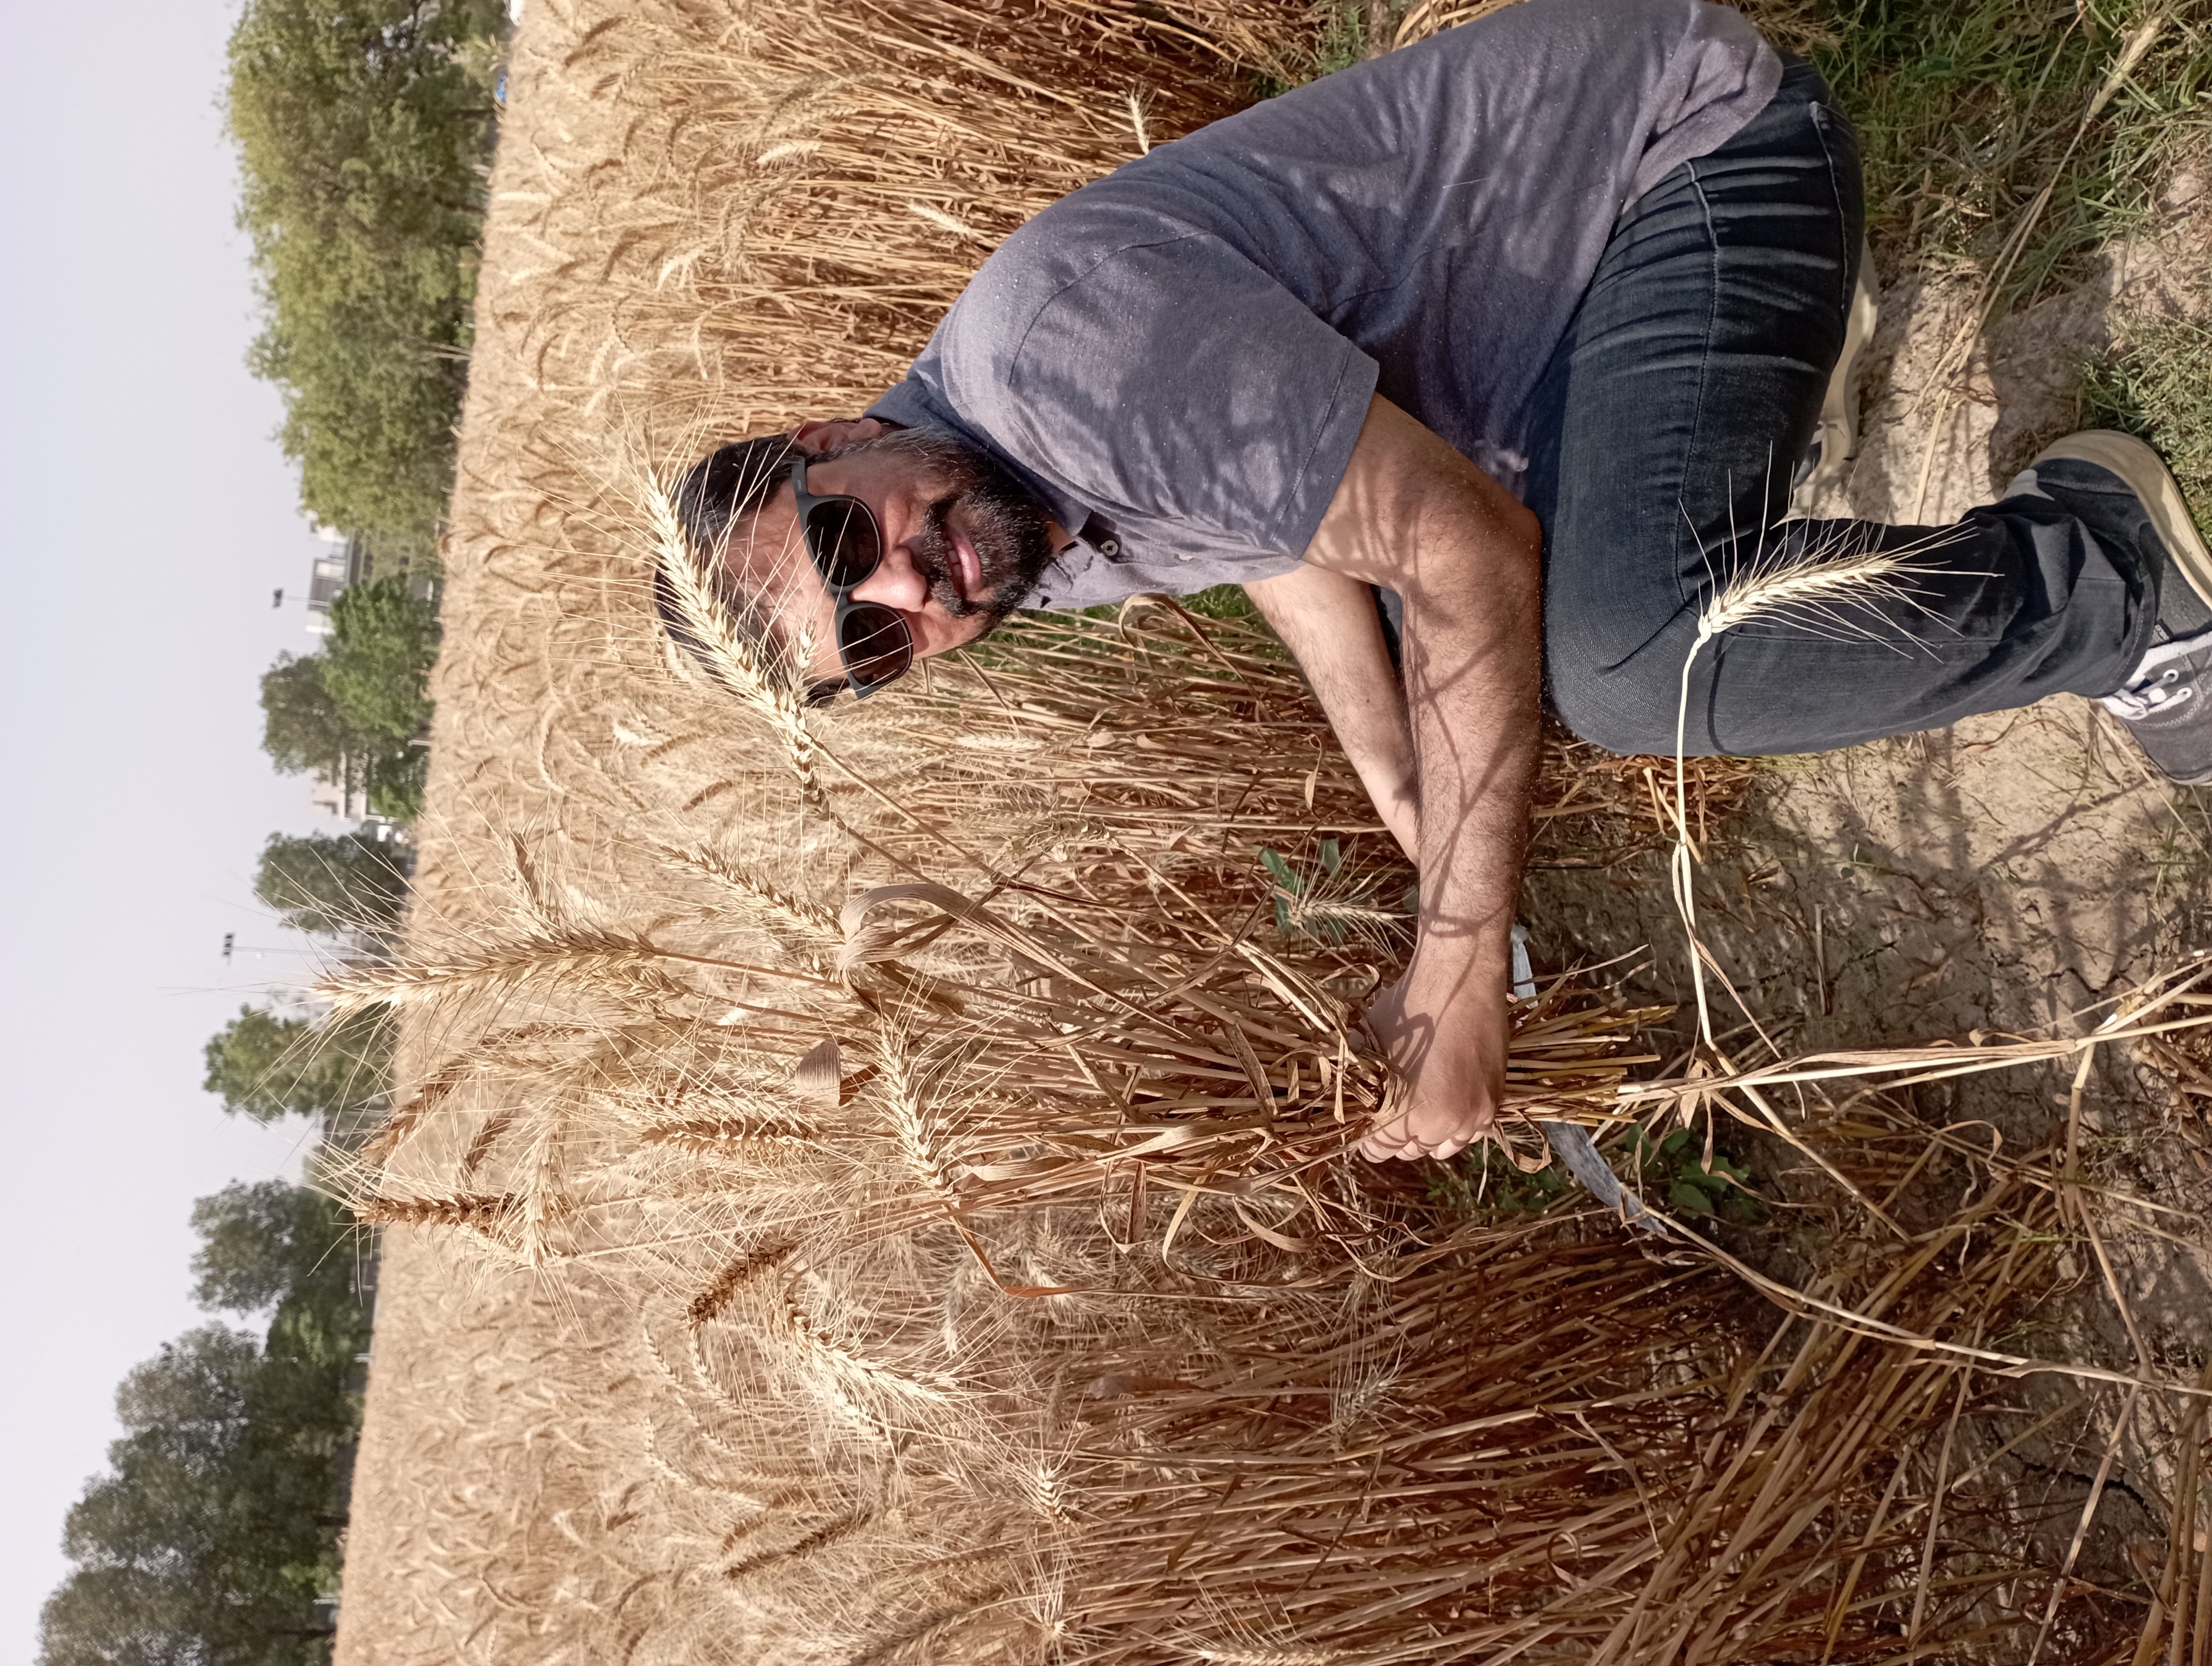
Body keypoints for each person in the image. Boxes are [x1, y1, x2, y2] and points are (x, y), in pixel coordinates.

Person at [659, 0, 2212, 1165]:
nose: (906, 592)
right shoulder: (990, 524)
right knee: (1473, 677)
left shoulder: (1057, 374)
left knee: (1627, 662)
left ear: (830, 439)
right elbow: (1272, 535)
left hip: (1690, 161)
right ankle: (1752, 393)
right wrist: (1404, 794)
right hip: (1546, 325)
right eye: (869, 648)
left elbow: (1467, 556)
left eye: (845, 546)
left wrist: (1458, 968)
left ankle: (2110, 574)